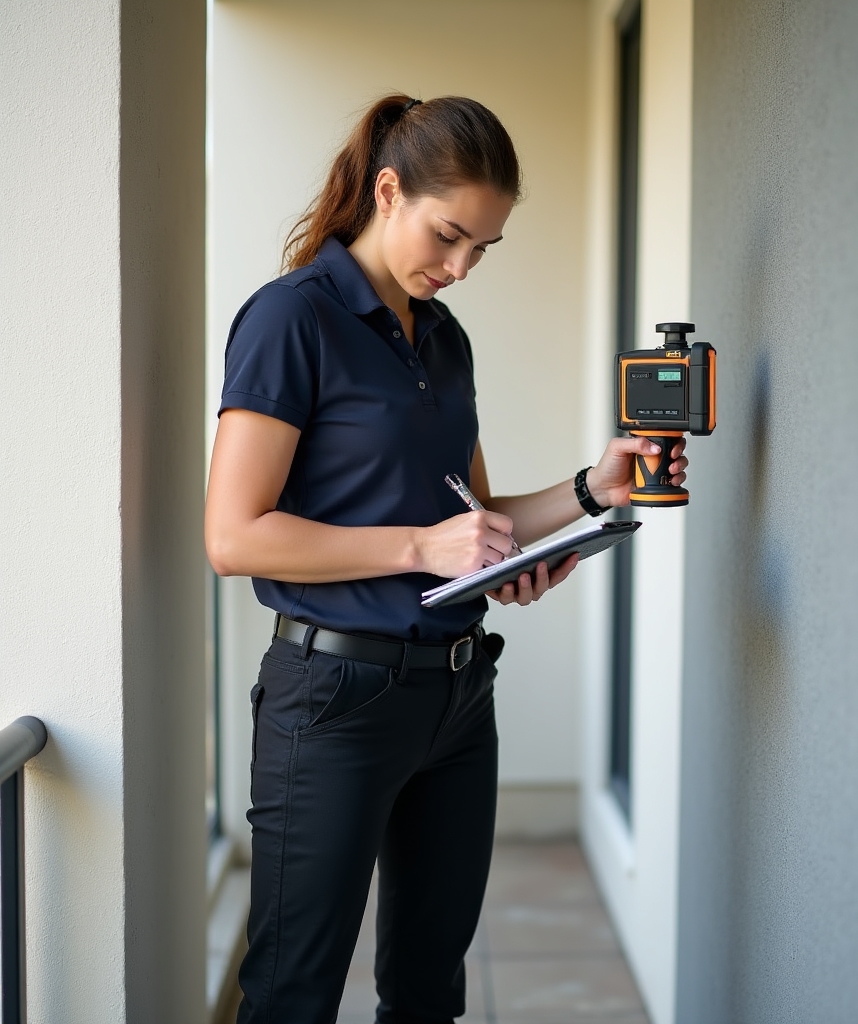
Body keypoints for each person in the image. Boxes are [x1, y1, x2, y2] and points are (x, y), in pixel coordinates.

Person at [205, 93, 687, 1024]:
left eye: (483, 250)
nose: (462, 267)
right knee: (293, 995)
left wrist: (591, 490)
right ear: (388, 191)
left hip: (458, 700)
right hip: (333, 702)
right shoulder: (289, 319)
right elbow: (233, 535)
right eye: (449, 235)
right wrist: (426, 546)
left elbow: (474, 514)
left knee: (430, 993)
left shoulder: (446, 339)